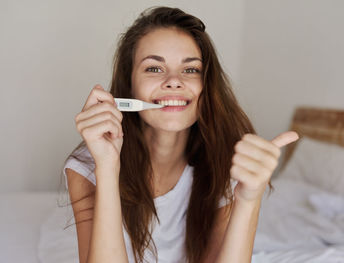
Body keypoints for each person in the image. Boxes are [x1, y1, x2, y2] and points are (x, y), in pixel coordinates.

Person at [63, 6, 298, 263]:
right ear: (129, 85)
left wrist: (249, 199)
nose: (174, 81)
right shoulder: (86, 166)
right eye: (154, 68)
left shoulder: (227, 165)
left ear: (206, 86)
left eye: (190, 70)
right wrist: (107, 167)